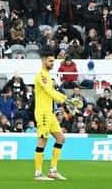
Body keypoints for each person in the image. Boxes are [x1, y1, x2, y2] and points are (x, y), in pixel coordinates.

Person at [33, 49, 78, 181]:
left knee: (60, 138)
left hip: (50, 113)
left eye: (53, 61)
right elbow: (49, 91)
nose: (52, 63)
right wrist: (66, 100)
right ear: (43, 60)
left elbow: (52, 91)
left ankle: (53, 170)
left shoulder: (47, 75)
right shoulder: (41, 75)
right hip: (43, 113)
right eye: (50, 60)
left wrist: (66, 100)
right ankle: (38, 173)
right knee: (43, 140)